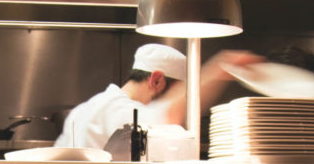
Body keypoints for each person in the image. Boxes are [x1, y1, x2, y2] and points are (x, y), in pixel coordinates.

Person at [55, 43, 261, 150]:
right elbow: (166, 115)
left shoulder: (83, 109)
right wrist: (221, 68)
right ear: (156, 80)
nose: (181, 101)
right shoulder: (119, 110)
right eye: (178, 93)